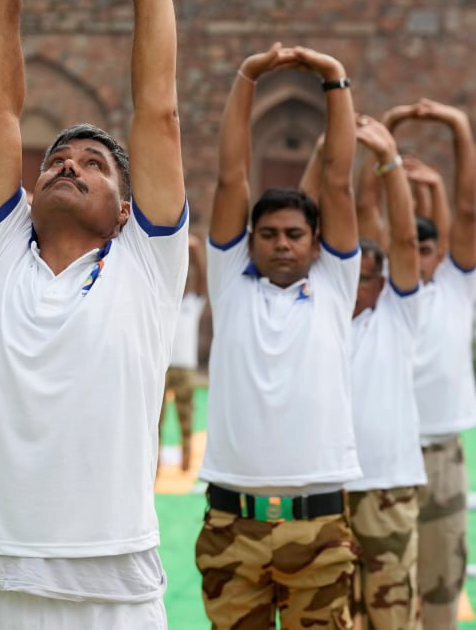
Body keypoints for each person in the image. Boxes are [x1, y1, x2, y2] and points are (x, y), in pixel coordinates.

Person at [0, 0, 187, 629]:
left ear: (125, 210)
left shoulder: (145, 260)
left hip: (108, 591)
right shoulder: (1, 249)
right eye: (56, 159)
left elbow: (159, 110)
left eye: (93, 163)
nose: (69, 163)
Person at [196, 43, 361, 627]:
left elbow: (338, 182)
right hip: (230, 522)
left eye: (295, 233)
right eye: (268, 234)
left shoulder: (336, 284)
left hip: (316, 526)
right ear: (250, 241)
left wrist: (334, 79)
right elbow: (230, 177)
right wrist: (247, 75)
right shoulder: (231, 282)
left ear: (317, 243)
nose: (283, 243)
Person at [298, 115, 424, 629]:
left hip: (387, 487)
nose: (355, 284)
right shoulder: (313, 313)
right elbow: (301, 217)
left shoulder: (398, 315)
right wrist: (324, 148)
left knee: (390, 615)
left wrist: (390, 162)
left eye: (366, 275)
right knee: (331, 617)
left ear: (380, 280)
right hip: (326, 491)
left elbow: (407, 243)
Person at [384, 99, 476, 629]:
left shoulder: (453, 288)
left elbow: (464, 213)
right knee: (386, 598)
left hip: (441, 454)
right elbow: (377, 214)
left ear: (437, 252)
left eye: (427, 246)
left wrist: (458, 124)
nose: (417, 253)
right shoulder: (380, 298)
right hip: (387, 455)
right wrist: (390, 134)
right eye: (409, 245)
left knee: (441, 591)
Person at [160, 234, 206, 472]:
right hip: (163, 368)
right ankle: (154, 464)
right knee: (156, 420)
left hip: (185, 368)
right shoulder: (162, 303)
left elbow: (203, 281)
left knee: (186, 417)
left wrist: (196, 252)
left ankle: (186, 461)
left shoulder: (191, 304)